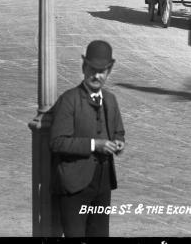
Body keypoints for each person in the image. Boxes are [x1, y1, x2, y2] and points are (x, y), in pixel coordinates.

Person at [50, 40, 126, 238]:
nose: (96, 75)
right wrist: (94, 145)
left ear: (109, 72)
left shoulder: (110, 100)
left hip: (103, 184)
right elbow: (57, 142)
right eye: (92, 69)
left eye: (102, 71)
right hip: (75, 186)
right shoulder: (69, 100)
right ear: (84, 68)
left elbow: (118, 132)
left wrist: (119, 143)